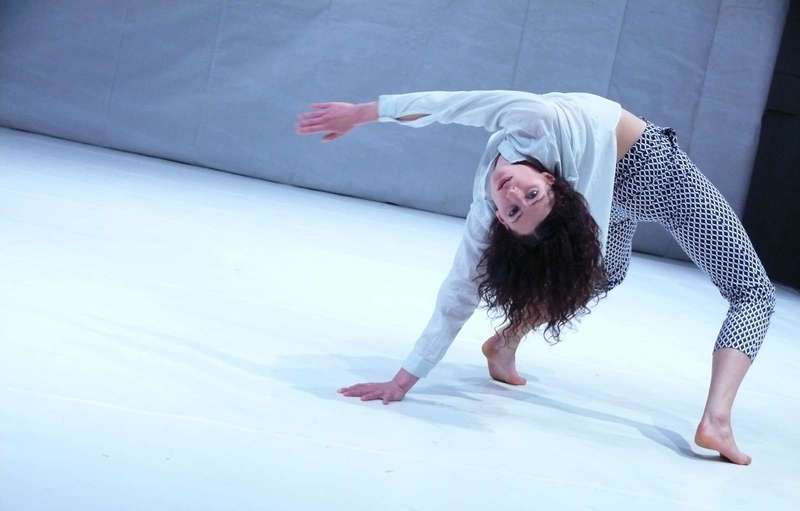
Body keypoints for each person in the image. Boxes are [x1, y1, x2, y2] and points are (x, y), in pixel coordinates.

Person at [295, 90, 776, 465]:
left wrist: (361, 113)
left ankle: (507, 341)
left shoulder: (535, 120)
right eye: (514, 210)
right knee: (751, 292)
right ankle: (716, 421)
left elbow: (447, 104)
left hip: (624, 170)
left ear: (552, 182)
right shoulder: (493, 210)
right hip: (651, 170)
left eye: (528, 196)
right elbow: (458, 292)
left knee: (604, 273)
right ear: (506, 224)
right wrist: (402, 381)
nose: (512, 194)